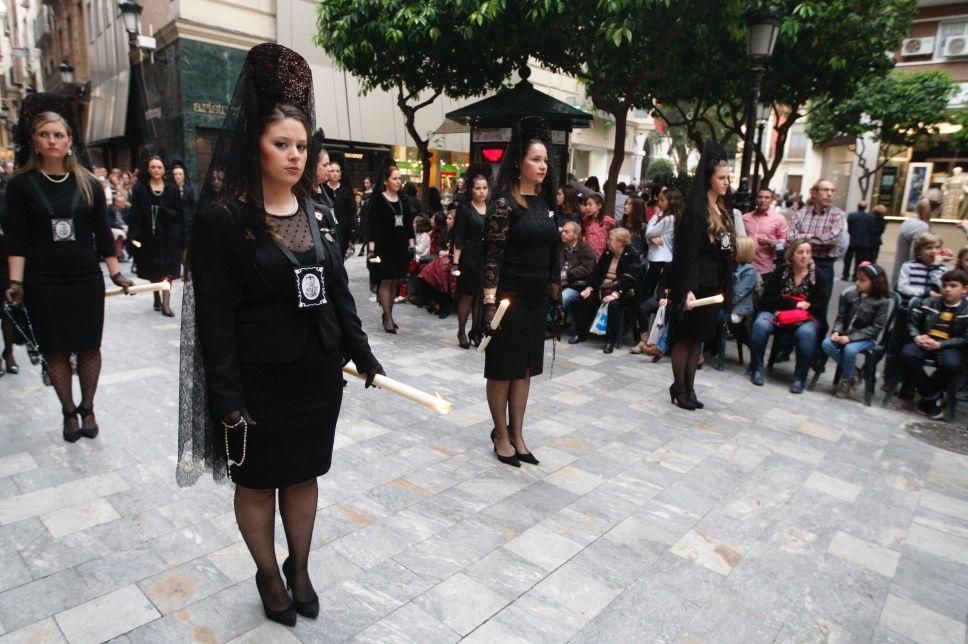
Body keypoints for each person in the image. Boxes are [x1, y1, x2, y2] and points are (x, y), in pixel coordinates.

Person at [177, 43, 384, 627]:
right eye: (281, 145)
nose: (295, 156)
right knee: (258, 481)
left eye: (302, 146)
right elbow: (213, 320)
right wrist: (227, 398)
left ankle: (300, 567)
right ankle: (268, 574)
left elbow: (338, 290)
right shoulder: (224, 220)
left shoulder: (317, 211)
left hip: (316, 378)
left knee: (303, 474)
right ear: (255, 146)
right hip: (256, 381)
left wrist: (363, 354)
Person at [4, 93, 133, 441]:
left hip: (84, 278)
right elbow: (16, 239)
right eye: (45, 134)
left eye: (58, 135)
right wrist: (15, 282)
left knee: (89, 346)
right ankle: (68, 412)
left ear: (70, 141)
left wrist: (116, 272)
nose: (52, 140)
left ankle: (88, 407)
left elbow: (103, 233)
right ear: (34, 140)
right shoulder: (19, 185)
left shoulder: (89, 183)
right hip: (43, 280)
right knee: (56, 348)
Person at [482, 116, 561, 468]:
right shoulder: (503, 204)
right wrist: (488, 305)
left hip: (534, 299)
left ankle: (518, 432)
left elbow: (553, 254)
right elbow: (492, 258)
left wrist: (555, 298)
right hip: (506, 301)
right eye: (535, 159)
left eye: (545, 160)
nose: (542, 166)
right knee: (502, 369)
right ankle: (500, 432)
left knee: (525, 369)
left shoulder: (546, 204)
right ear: (519, 163)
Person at [667, 141, 736, 410]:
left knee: (698, 338)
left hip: (714, 284)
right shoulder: (696, 211)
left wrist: (732, 247)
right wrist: (688, 289)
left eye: (728, 178)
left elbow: (725, 249)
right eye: (722, 178)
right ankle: (679, 388)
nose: (726, 183)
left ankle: (689, 388)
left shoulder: (724, 212)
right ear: (708, 179)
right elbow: (688, 253)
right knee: (685, 337)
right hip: (695, 283)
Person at [748, 238, 826, 393]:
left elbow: (820, 306)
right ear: (791, 255)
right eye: (800, 252)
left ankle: (799, 378)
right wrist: (794, 304)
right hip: (775, 313)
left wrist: (804, 307)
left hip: (804, 318)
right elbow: (767, 300)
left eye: (808, 252)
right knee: (760, 325)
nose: (804, 256)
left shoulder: (818, 276)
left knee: (806, 334)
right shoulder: (781, 272)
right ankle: (756, 369)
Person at [899, 269, 968, 418]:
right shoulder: (928, 302)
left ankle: (927, 396)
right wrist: (917, 337)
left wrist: (941, 345)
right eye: (944, 285)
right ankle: (932, 395)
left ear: (964, 289)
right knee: (907, 354)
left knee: (952, 364)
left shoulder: (966, 309)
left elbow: (964, 338)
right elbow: (912, 323)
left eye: (953, 285)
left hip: (948, 344)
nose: (947, 289)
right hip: (925, 339)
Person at [821, 262, 889, 398]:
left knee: (850, 350)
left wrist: (851, 338)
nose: (858, 283)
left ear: (875, 282)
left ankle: (846, 380)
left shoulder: (882, 302)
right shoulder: (851, 295)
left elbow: (876, 327)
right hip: (846, 334)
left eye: (863, 280)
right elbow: (841, 317)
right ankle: (854, 372)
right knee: (827, 344)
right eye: (858, 279)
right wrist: (837, 331)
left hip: (866, 338)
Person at [128, 154, 185, 317]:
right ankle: (156, 296)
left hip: (169, 237)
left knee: (169, 272)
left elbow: (179, 214)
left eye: (159, 167)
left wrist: (182, 238)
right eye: (153, 167)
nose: (156, 170)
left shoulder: (172, 189)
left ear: (164, 169)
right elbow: (135, 213)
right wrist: (133, 236)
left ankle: (166, 304)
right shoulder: (140, 189)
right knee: (154, 271)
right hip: (149, 237)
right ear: (148, 169)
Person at [574, 227, 641, 353]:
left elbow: (629, 279)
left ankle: (610, 341)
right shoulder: (608, 253)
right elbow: (597, 272)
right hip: (603, 288)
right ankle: (580, 333)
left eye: (610, 239)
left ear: (620, 242)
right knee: (584, 298)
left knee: (613, 305)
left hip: (623, 291)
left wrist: (616, 294)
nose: (607, 242)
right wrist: (590, 287)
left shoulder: (632, 255)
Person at [368, 164, 415, 333]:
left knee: (395, 281)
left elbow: (409, 225)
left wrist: (412, 245)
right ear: (386, 181)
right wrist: (371, 250)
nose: (398, 181)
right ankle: (387, 317)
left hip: (400, 247)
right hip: (384, 246)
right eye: (394, 178)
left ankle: (389, 313)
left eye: (399, 178)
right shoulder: (378, 200)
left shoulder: (403, 200)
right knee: (386, 280)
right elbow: (372, 226)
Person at [452, 166, 489, 349]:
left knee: (480, 297)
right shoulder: (465, 209)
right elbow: (458, 237)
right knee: (467, 296)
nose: (481, 192)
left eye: (484, 188)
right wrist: (455, 262)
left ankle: (476, 331)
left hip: (486, 257)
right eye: (478, 188)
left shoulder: (491, 208)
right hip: (469, 257)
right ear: (471, 189)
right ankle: (461, 331)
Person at [791, 179, 844, 305]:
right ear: (813, 193)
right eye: (825, 190)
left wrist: (803, 238)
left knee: (820, 304)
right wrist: (816, 237)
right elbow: (791, 237)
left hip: (824, 265)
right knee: (797, 301)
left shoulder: (837, 215)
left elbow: (831, 239)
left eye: (832, 190)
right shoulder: (801, 214)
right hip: (800, 264)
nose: (829, 194)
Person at [891, 193, 940, 285]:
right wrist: (937, 259)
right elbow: (915, 254)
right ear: (936, 210)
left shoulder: (910, 221)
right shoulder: (922, 226)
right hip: (910, 278)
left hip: (900, 272)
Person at [642, 188, 680, 299]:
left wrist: (655, 216)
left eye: (663, 200)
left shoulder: (667, 219)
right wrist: (651, 239)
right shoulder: (675, 217)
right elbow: (651, 237)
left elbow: (648, 232)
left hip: (660, 258)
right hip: (664, 257)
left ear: (671, 202)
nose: (660, 203)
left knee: (648, 292)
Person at [742, 186, 789, 276]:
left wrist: (771, 242)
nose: (762, 200)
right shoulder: (745, 218)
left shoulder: (779, 219)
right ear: (756, 199)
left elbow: (785, 242)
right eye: (760, 197)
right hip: (745, 266)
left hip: (765, 268)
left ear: (771, 200)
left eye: (767, 197)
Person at [558, 221, 596, 324]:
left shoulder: (585, 249)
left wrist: (565, 275)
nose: (563, 234)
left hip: (576, 285)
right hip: (558, 283)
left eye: (567, 232)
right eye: (563, 231)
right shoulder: (559, 247)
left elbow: (586, 268)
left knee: (563, 297)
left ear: (576, 235)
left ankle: (552, 324)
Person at [896, 232, 945, 304]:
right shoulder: (908, 266)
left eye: (937, 247)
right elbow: (902, 287)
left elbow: (942, 288)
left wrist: (935, 268)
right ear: (918, 251)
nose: (934, 251)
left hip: (933, 306)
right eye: (929, 248)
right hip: (911, 304)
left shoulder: (942, 269)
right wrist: (925, 292)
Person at [323, 159, 354, 257]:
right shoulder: (322, 189)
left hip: (343, 231)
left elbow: (351, 211)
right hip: (327, 230)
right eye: (332, 171)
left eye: (337, 171)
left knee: (341, 257)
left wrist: (352, 230)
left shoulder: (346, 191)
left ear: (340, 174)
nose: (335, 174)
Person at [842, 201, 874, 281]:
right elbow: (871, 229)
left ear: (858, 206)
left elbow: (848, 227)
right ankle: (855, 276)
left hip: (851, 240)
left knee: (848, 259)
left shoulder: (852, 215)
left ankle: (845, 274)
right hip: (863, 241)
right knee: (859, 260)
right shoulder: (870, 217)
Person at [581, 194, 615, 258]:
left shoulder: (607, 220)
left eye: (590, 205)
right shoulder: (585, 220)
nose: (587, 207)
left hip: (603, 256)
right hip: (588, 256)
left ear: (599, 206)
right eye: (586, 205)